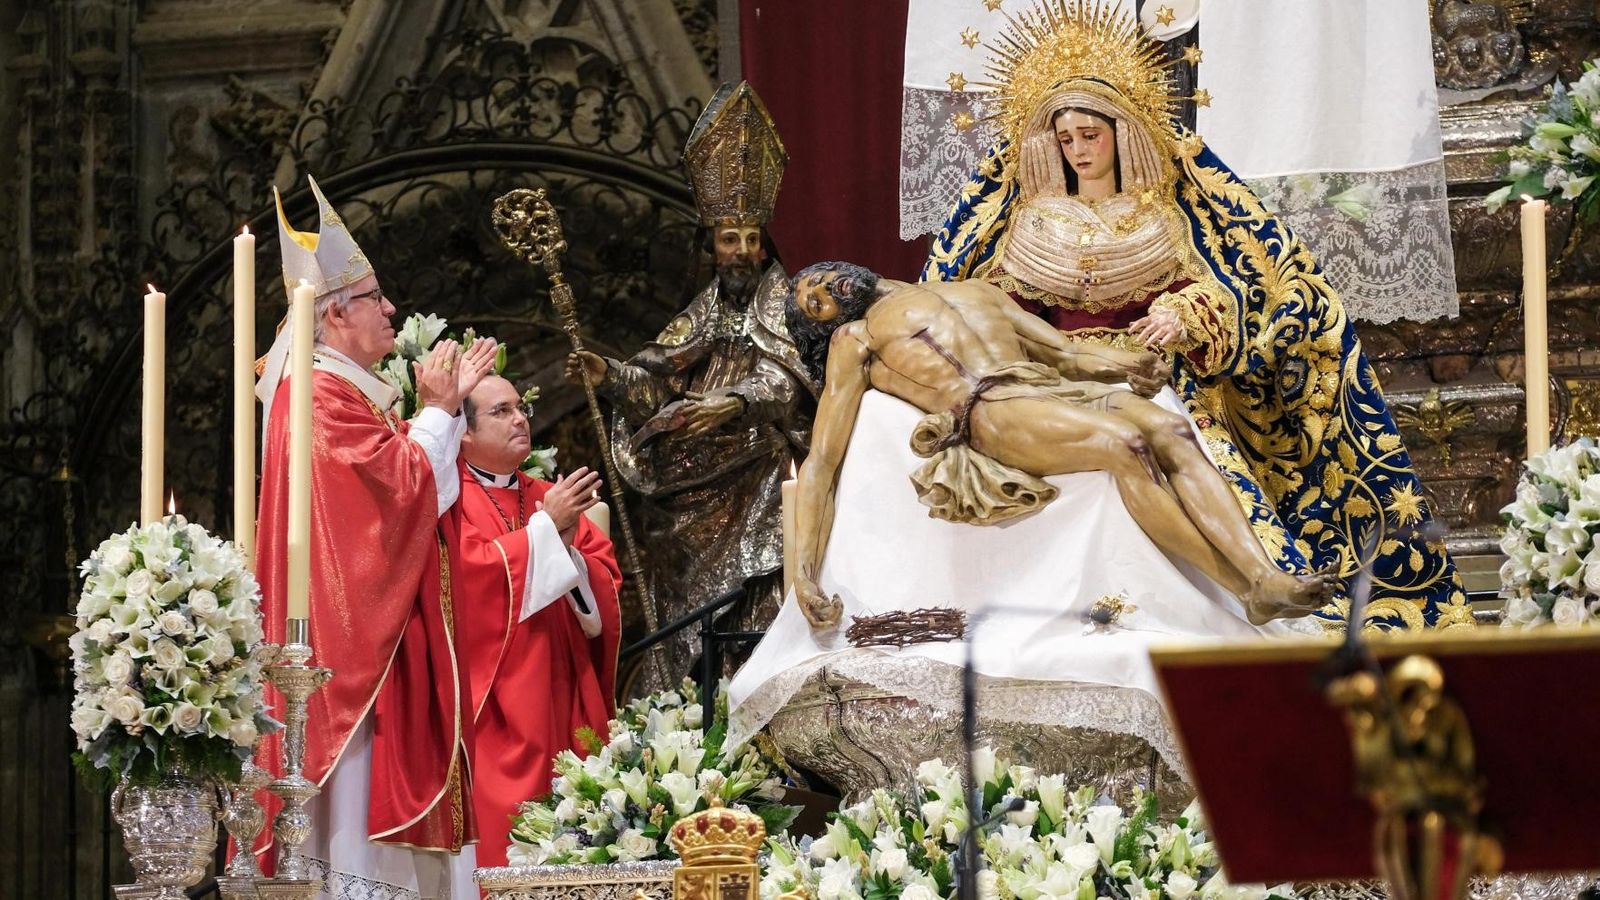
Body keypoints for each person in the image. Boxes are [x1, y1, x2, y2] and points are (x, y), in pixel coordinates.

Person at [923, 5, 1470, 628]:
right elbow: (997, 311)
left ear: (1122, 131)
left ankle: (1250, 586)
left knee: (1176, 440)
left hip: (1154, 378)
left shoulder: (1164, 216)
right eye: (1065, 138)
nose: (1078, 150)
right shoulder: (1033, 222)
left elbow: (1227, 286)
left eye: (1090, 135)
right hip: (1057, 377)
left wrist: (1184, 314)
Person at [785, 261, 1335, 629]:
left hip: (1050, 386)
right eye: (813, 304)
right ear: (824, 326)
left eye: (820, 278)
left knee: (1170, 430)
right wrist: (805, 573)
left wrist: (1130, 365)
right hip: (992, 409)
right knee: (1127, 444)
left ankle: (1264, 579)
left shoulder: (973, 289)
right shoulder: (854, 339)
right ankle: (1239, 588)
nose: (822, 291)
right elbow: (822, 465)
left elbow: (1067, 356)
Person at [254, 175, 496, 897]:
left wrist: (439, 418)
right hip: (354, 668)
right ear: (331, 317)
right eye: (373, 298)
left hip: (375, 649)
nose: (391, 309)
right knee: (357, 853)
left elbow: (411, 492)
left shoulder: (335, 390)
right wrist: (436, 413)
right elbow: (390, 503)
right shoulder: (317, 396)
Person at [564, 81, 813, 682]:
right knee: (682, 591)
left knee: (759, 588)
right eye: (731, 239)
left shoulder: (786, 302)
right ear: (711, 245)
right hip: (693, 478)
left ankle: (753, 684)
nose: (744, 252)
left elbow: (791, 381)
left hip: (761, 471)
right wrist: (611, 375)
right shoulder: (702, 310)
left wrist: (734, 401)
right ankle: (687, 702)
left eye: (753, 240)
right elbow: (658, 377)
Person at [443, 374, 621, 868]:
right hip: (497, 702)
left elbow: (604, 586)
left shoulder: (548, 493)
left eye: (520, 408)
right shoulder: (448, 499)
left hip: (565, 690)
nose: (520, 419)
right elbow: (467, 580)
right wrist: (547, 531)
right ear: (465, 432)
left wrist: (566, 550)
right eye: (501, 412)